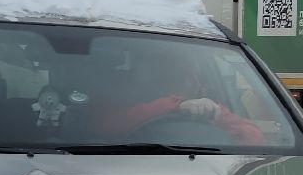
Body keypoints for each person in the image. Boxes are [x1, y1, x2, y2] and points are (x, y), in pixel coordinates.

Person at [93, 47, 267, 147]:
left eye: (186, 69)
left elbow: (254, 137)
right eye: (163, 65)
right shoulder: (118, 95)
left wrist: (217, 116)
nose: (190, 77)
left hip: (202, 165)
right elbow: (105, 124)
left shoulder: (203, 101)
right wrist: (176, 106)